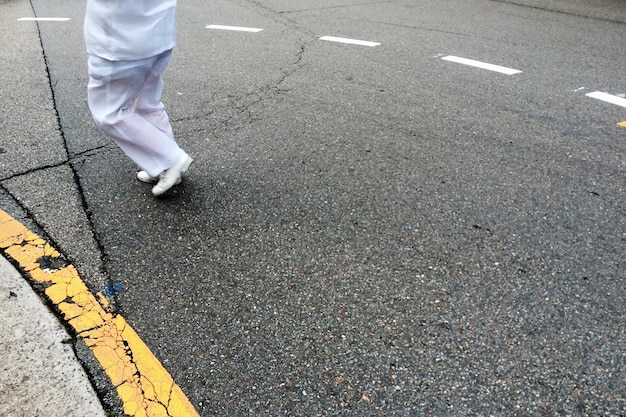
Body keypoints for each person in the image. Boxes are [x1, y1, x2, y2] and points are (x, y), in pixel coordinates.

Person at [84, 0, 192, 196]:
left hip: (120, 41)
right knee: (146, 103)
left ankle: (170, 159)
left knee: (108, 112)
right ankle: (164, 167)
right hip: (160, 33)